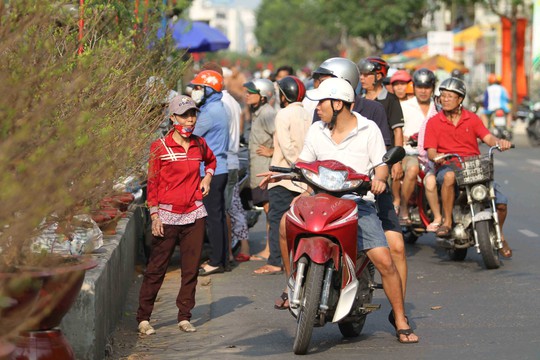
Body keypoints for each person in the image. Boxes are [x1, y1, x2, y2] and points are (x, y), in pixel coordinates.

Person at [260, 78, 419, 344]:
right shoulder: (317, 130)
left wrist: (380, 179)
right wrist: (285, 175)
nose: (317, 107)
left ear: (338, 104)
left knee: (384, 260)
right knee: (284, 226)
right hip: (319, 197)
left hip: (357, 202)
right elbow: (303, 163)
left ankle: (401, 319)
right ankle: (291, 286)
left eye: (322, 102)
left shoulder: (368, 129)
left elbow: (381, 165)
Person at [137, 95, 216, 335]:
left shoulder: (199, 144)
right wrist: (155, 216)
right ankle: (143, 319)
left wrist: (207, 178)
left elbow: (212, 161)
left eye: (193, 114)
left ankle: (184, 316)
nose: (190, 119)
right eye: (184, 115)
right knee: (156, 268)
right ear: (172, 118)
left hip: (194, 214)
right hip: (167, 216)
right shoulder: (159, 147)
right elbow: (152, 184)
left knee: (190, 269)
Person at [424, 77, 513, 257]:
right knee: (448, 177)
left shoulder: (472, 119)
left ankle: (499, 234)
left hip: (474, 168)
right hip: (449, 167)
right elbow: (431, 151)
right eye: (443, 96)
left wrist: (500, 142)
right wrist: (437, 157)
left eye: (450, 96)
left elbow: (488, 138)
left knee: (501, 203)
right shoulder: (433, 122)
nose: (445, 99)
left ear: (460, 99)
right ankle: (447, 221)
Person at [253, 76, 311, 275]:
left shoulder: (283, 114)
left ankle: (276, 261)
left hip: (284, 176)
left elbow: (287, 146)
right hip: (305, 177)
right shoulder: (308, 113)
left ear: (284, 95)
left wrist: (296, 166)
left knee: (277, 220)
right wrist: (306, 169)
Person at [201, 62, 251, 263]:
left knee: (223, 211)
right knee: (232, 207)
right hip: (231, 159)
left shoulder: (219, 105)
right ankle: (234, 250)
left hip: (222, 162)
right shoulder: (230, 102)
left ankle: (225, 255)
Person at [190, 70, 230, 276]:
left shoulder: (209, 113)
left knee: (212, 218)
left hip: (209, 172)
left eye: (198, 88)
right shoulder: (218, 107)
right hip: (220, 170)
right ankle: (222, 259)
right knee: (218, 217)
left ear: (209, 90)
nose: (195, 92)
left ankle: (215, 261)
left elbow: (189, 133)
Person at [358, 56, 404, 213]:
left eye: (366, 75)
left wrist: (397, 161)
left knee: (383, 198)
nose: (362, 78)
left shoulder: (390, 100)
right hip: (362, 157)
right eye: (361, 75)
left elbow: (397, 131)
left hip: (384, 157)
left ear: (379, 76)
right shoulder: (359, 101)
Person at [399, 68, 442, 232]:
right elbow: (397, 131)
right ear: (414, 87)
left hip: (434, 154)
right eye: (420, 87)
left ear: (432, 88)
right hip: (410, 154)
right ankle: (403, 208)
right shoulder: (403, 106)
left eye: (427, 87)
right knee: (413, 167)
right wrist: (405, 138)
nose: (423, 91)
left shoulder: (438, 107)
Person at [244, 78, 277, 261]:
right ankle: (270, 249)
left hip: (266, 171)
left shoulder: (267, 114)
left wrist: (272, 150)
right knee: (268, 211)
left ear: (263, 96)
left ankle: (271, 250)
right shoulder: (258, 113)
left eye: (251, 92)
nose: (247, 95)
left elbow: (280, 136)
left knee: (270, 212)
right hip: (258, 170)